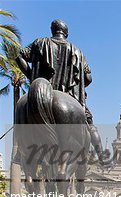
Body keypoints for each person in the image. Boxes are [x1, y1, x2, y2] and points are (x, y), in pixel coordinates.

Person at [15, 19, 107, 162]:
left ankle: (20, 152)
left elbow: (19, 56)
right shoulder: (77, 52)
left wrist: (32, 78)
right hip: (70, 95)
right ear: (66, 33)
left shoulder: (39, 42)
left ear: (52, 30)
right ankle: (101, 157)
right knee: (90, 123)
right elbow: (88, 78)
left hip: (40, 92)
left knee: (22, 118)